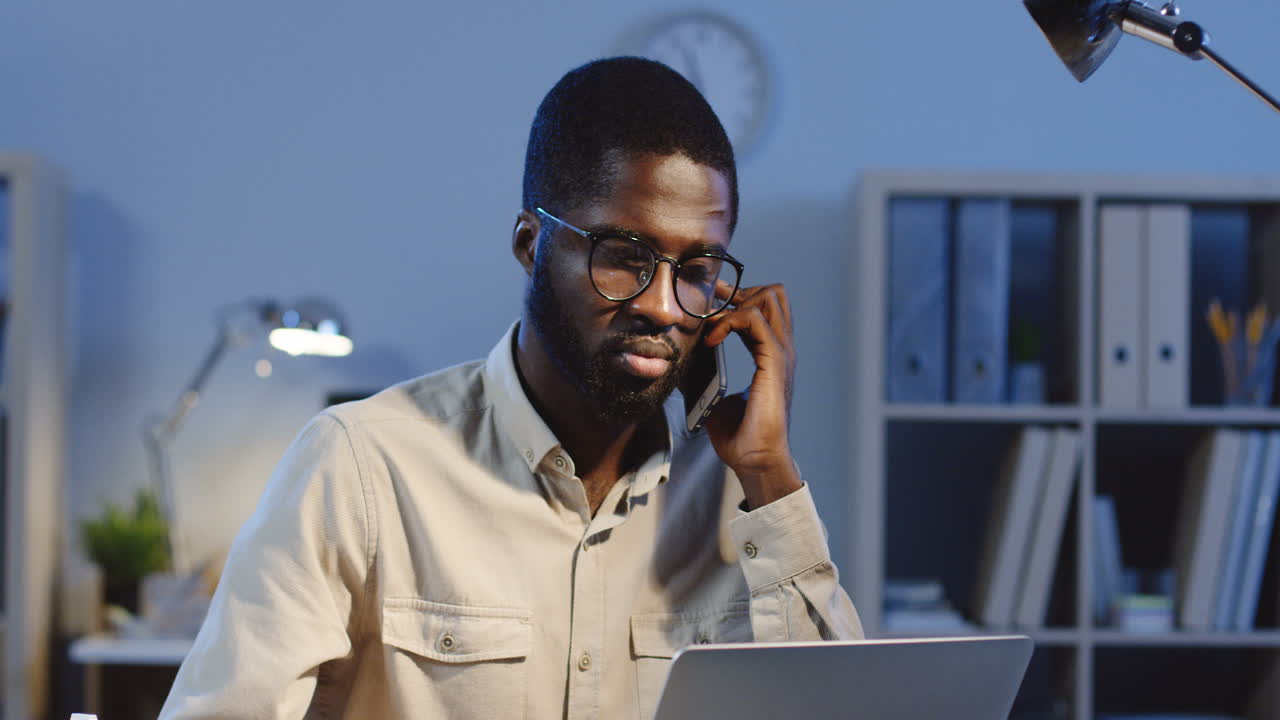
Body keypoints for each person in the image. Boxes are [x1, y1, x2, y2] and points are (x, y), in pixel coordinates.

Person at [158, 56, 862, 720]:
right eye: (625, 257)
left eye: (698, 269)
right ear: (531, 244)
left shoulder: (743, 500)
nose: (666, 306)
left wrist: (771, 475)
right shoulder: (362, 467)